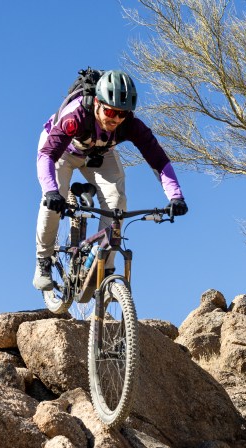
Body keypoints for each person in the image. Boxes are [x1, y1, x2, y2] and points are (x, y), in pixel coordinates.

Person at [33, 69, 188, 290]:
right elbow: (47, 155)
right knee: (53, 201)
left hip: (99, 153)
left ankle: (104, 266)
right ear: (97, 102)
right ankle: (43, 260)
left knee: (117, 202)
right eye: (110, 111)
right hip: (62, 153)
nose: (115, 118)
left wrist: (176, 196)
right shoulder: (75, 117)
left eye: (122, 113)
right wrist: (50, 191)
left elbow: (159, 160)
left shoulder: (131, 125)